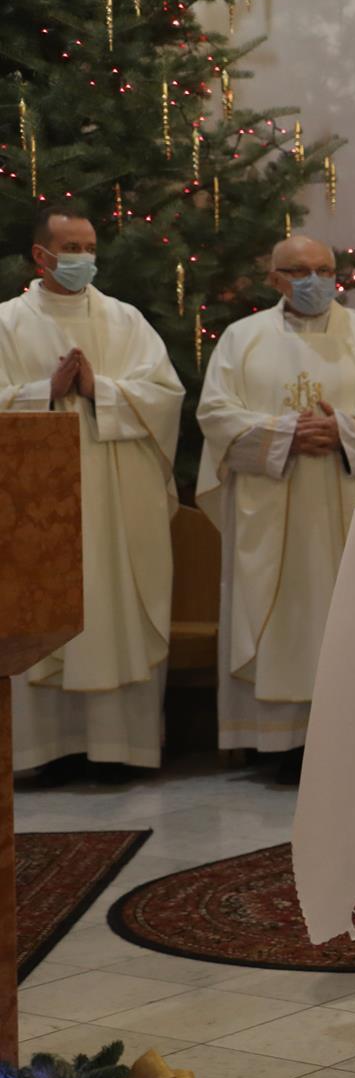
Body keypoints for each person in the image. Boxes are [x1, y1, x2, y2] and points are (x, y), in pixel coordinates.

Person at [196, 234, 355, 781]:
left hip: (350, 501)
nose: (314, 281)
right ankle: (279, 744)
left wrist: (344, 430)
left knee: (349, 614)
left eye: (323, 269)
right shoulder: (242, 339)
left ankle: (349, 740)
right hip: (271, 508)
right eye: (298, 271)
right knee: (280, 616)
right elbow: (216, 414)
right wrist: (284, 434)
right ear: (274, 278)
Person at [0, 206, 184, 778]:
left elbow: (166, 395)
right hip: (35, 503)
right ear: (41, 255)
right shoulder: (6, 323)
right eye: (71, 248)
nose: (83, 258)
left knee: (113, 606)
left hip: (117, 499)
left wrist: (98, 388)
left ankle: (118, 749)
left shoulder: (126, 321)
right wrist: (42, 392)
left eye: (89, 247)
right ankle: (46, 752)